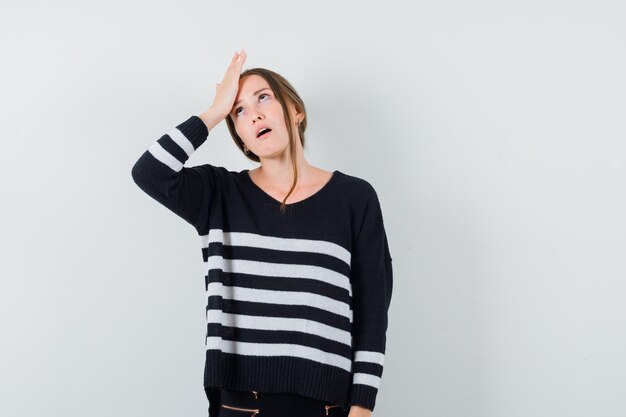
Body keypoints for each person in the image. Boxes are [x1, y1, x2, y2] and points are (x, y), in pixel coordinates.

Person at [131, 49, 393, 417]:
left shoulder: (354, 198)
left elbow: (372, 311)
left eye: (263, 97)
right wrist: (214, 111)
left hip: (327, 405)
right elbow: (149, 172)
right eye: (239, 111)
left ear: (296, 110)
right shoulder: (219, 194)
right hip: (241, 405)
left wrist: (363, 408)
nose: (253, 113)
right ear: (241, 137)